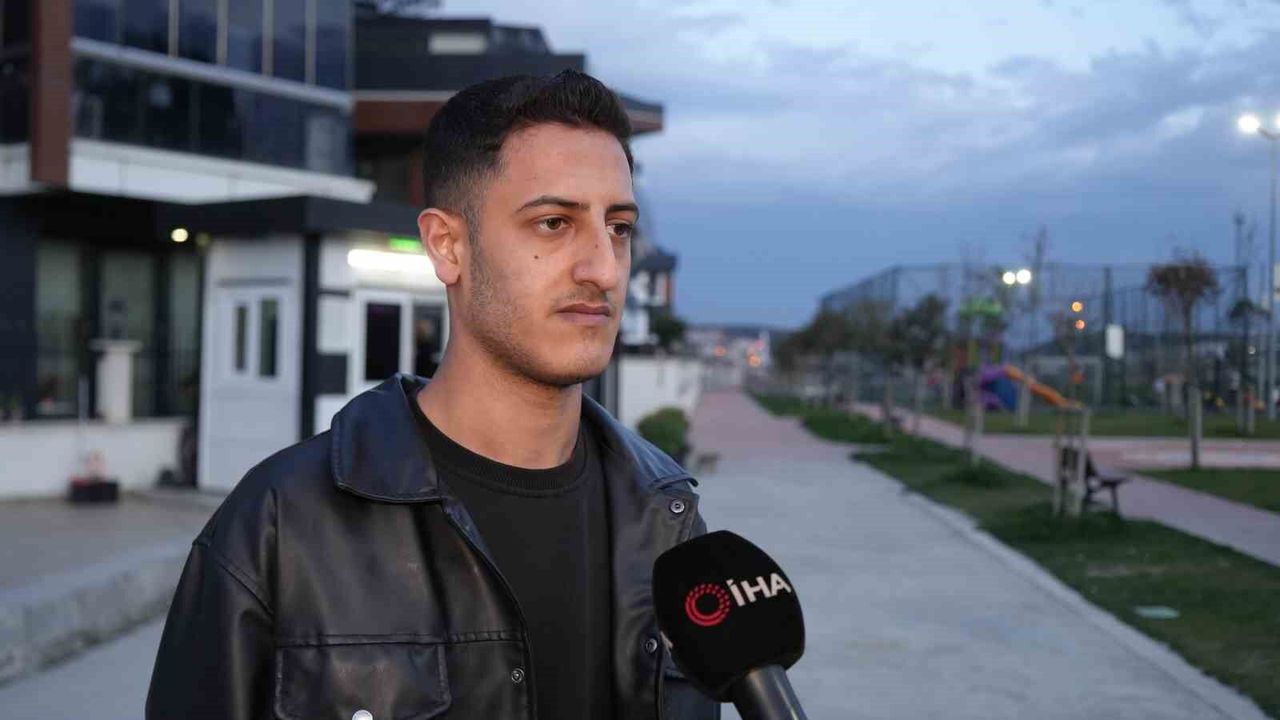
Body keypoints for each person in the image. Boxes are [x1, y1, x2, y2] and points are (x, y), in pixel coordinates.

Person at [145, 70, 717, 720]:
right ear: (448, 246)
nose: (605, 268)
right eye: (554, 223)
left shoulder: (666, 521)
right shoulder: (280, 529)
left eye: (619, 227)